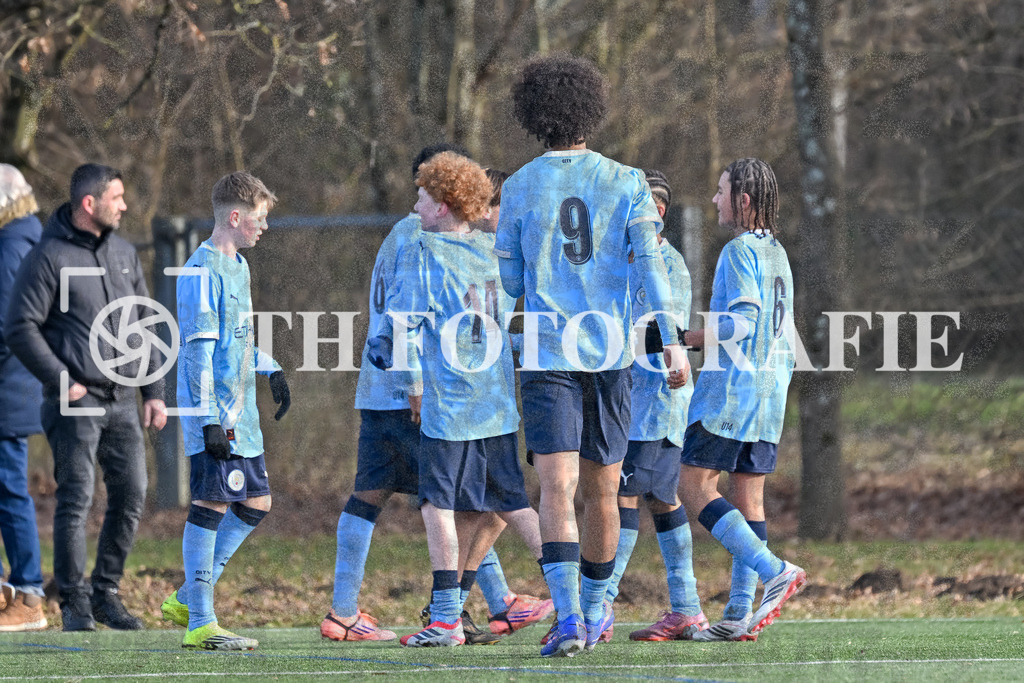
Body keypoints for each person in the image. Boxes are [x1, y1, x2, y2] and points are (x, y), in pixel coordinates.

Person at [494, 54, 689, 657]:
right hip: (611, 354)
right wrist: (672, 339)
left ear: (533, 116)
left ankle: (571, 618)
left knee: (556, 487)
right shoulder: (628, 181)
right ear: (591, 112)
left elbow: (510, 281)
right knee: (603, 491)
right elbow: (652, 267)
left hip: (548, 353)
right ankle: (597, 607)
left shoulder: (518, 185)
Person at [368, 152, 538, 647]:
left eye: (422, 196)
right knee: (514, 505)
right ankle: (580, 604)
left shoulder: (424, 251)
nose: (415, 205)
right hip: (497, 405)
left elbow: (403, 327)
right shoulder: (493, 250)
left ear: (443, 205)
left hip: (450, 408)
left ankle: (445, 619)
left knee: (436, 505)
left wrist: (407, 379)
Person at [6, 163, 168, 631]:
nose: (125, 206)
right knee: (77, 499)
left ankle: (105, 594)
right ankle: (74, 602)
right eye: (117, 198)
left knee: (132, 493)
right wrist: (62, 379)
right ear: (89, 203)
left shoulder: (123, 252)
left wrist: (153, 392)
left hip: (123, 401)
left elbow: (144, 321)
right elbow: (20, 326)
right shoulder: (47, 256)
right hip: (74, 402)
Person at [161, 171, 290, 651]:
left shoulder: (239, 266)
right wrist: (209, 419)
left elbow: (236, 341)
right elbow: (197, 354)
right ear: (235, 217)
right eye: (259, 218)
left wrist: (270, 369)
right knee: (211, 503)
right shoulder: (201, 271)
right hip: (216, 417)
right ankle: (200, 621)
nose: (265, 227)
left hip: (243, 417)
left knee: (257, 503)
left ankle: (187, 598)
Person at [679, 158, 805, 642]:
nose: (715, 199)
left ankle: (775, 571)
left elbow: (742, 323)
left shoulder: (738, 251)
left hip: (733, 393)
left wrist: (688, 338)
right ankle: (737, 614)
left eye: (721, 190)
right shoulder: (778, 253)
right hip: (770, 393)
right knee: (748, 498)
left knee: (693, 488)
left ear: (743, 200)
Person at [600, 170, 708, 643]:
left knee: (622, 496)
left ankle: (600, 604)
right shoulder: (622, 260)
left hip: (656, 404)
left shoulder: (668, 266)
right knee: (661, 500)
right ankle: (686, 608)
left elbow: (667, 336)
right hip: (629, 403)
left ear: (656, 212)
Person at [0, 164, 47, 631]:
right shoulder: (26, 238)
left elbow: (5, 325)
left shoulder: (11, 245)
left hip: (6, 388)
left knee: (10, 488)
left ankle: (30, 594)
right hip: (13, 384)